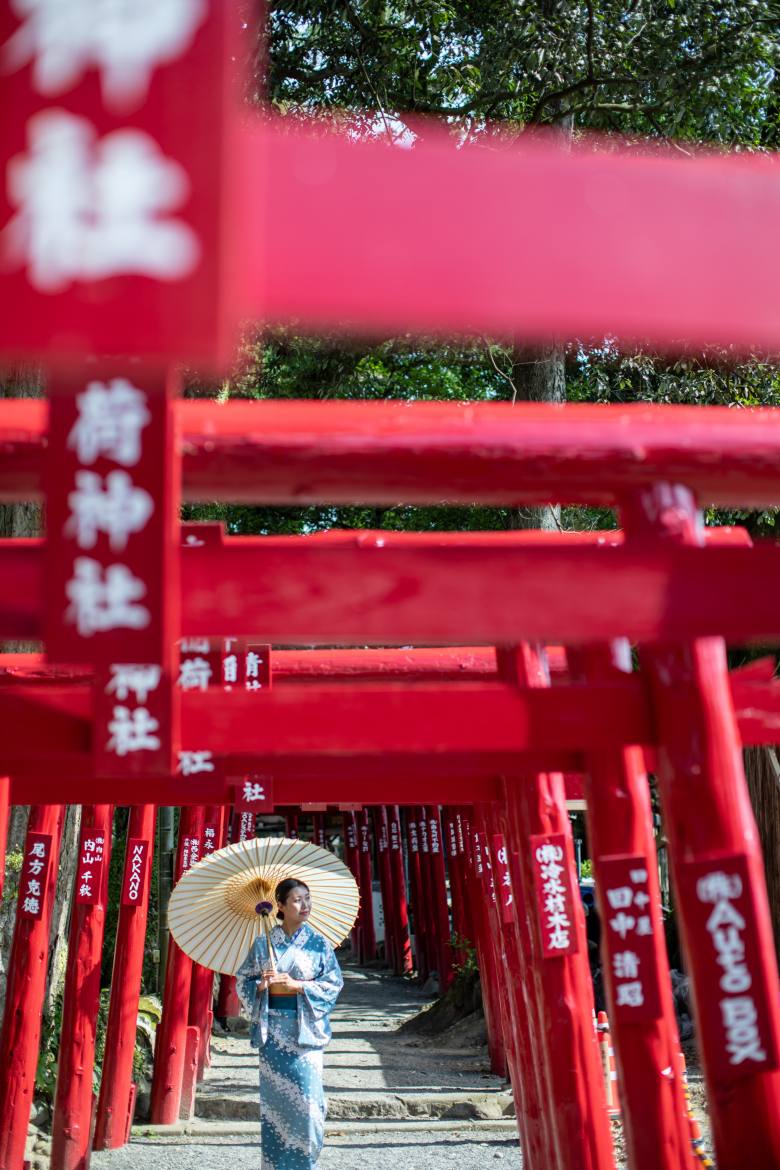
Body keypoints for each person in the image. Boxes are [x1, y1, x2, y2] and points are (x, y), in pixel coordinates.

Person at [237, 878, 344, 1169]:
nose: (305, 905)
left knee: (309, 1109)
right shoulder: (263, 943)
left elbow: (333, 984)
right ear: (280, 906)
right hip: (273, 1035)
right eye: (297, 900)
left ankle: (304, 1165)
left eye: (307, 898)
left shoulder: (319, 943)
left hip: (305, 1034)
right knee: (277, 1111)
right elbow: (242, 981)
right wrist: (261, 984)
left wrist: (298, 985)